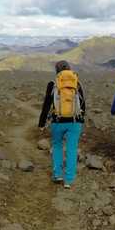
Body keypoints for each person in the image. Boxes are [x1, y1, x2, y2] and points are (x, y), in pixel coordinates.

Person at [38, 59, 87, 189]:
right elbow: (83, 104)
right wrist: (81, 119)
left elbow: (46, 106)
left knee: (58, 146)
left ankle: (57, 175)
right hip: (74, 122)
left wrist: (42, 123)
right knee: (71, 149)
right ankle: (68, 180)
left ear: (57, 71)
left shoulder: (53, 84)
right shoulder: (77, 83)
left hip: (58, 121)